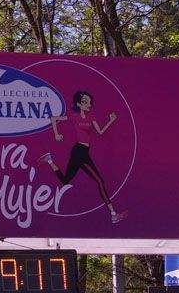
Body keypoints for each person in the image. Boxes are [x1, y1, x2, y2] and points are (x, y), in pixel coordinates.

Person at [41, 90, 126, 224]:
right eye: (85, 102)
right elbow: (54, 119)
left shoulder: (91, 117)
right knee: (100, 181)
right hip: (79, 151)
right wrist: (56, 134)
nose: (89, 104)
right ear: (79, 104)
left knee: (65, 181)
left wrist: (111, 120)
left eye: (89, 102)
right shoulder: (74, 116)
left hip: (83, 152)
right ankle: (113, 214)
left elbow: (100, 131)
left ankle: (49, 160)